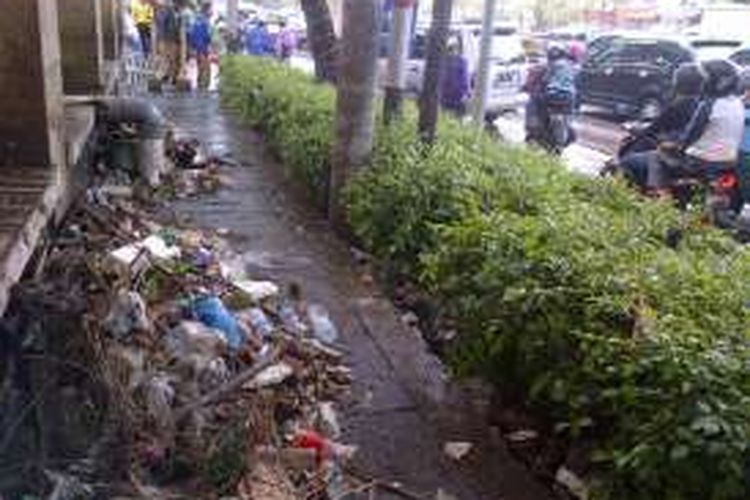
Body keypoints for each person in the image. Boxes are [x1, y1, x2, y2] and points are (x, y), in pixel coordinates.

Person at [646, 59, 744, 192]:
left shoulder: (709, 105)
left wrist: (675, 145)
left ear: (714, 82)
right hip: (729, 162)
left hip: (700, 162)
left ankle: (660, 196)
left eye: (705, 79)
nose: (703, 83)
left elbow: (692, 134)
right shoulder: (738, 104)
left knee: (656, 156)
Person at [618, 63, 706, 188]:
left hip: (674, 152)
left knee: (627, 162)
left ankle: (652, 191)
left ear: (678, 82)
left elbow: (653, 129)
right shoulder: (700, 104)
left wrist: (633, 128)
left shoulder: (680, 104)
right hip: (686, 152)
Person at [440, 38, 471, 116]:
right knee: (447, 114)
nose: (452, 52)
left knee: (456, 115)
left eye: (454, 49)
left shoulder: (462, 61)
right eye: (451, 50)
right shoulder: (445, 61)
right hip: (447, 94)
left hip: (457, 95)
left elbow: (465, 78)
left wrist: (466, 93)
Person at [156, 0, 181, 84]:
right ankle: (170, 75)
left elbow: (162, 24)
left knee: (169, 58)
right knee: (169, 58)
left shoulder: (166, 9)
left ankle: (171, 76)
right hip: (168, 38)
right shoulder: (164, 10)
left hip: (169, 38)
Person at [189, 3, 213, 91]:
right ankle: (203, 83)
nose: (211, 12)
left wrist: (193, 46)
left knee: (200, 65)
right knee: (205, 66)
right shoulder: (205, 22)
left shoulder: (196, 20)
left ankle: (200, 82)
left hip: (197, 46)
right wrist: (210, 46)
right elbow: (208, 36)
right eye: (210, 10)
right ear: (206, 10)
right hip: (203, 47)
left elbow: (192, 34)